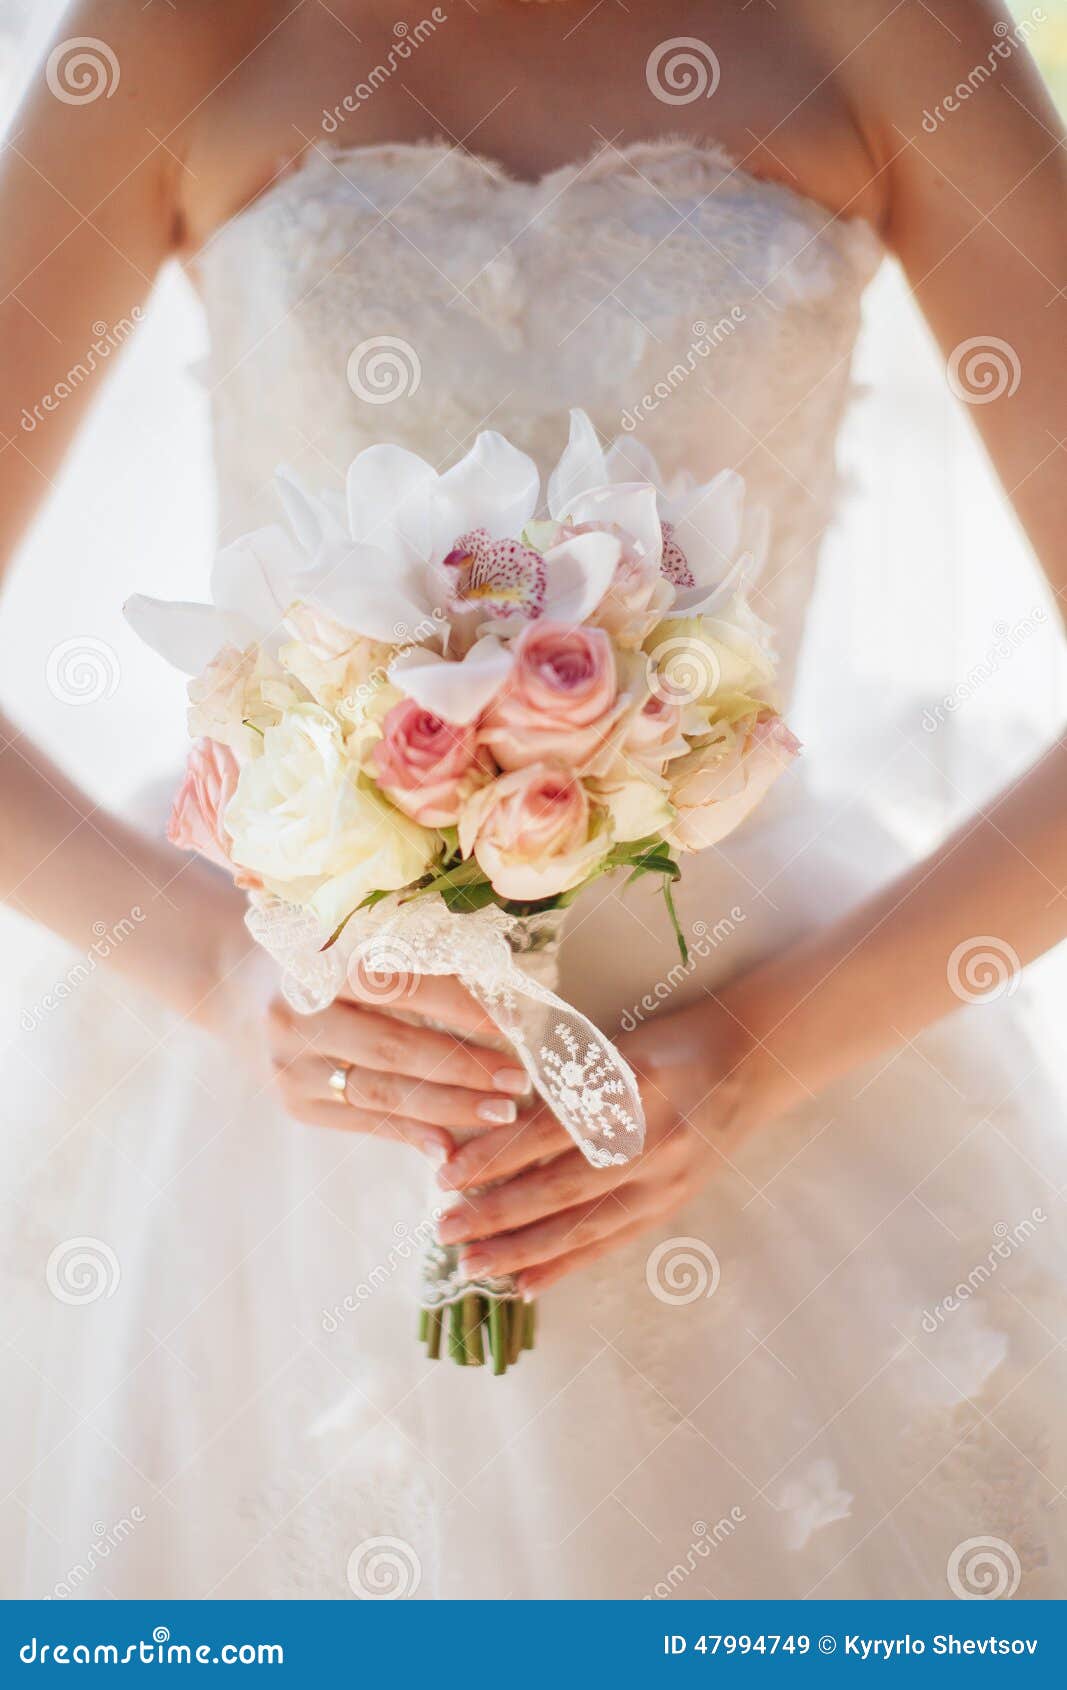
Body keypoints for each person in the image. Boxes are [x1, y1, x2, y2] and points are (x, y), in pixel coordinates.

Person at [2, 0, 1066, 1599]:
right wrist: (223, 967)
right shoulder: (171, 32)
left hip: (758, 1083)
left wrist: (751, 1054)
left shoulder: (899, 28)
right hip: (268, 1126)